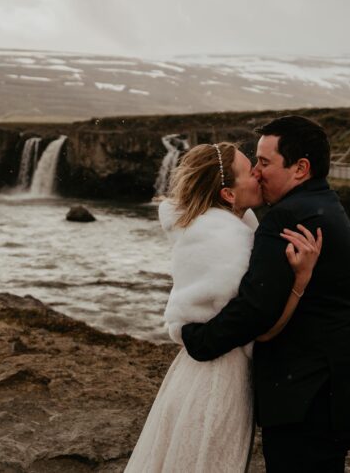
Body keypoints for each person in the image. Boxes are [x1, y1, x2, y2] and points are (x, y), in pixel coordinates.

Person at [182, 116, 350, 472]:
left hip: (306, 399)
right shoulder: (322, 203)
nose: (256, 172)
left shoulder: (286, 217)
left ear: (300, 168)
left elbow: (258, 307)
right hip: (333, 391)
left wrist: (199, 339)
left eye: (265, 163)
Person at [126, 141, 321, 472]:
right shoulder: (231, 240)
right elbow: (261, 323)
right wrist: (301, 280)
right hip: (219, 378)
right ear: (228, 195)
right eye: (249, 170)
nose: (258, 174)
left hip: (193, 372)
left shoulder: (204, 228)